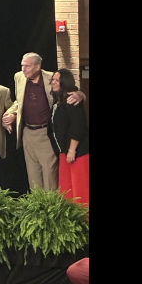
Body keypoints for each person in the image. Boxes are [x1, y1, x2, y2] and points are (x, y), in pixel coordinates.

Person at [1, 52, 85, 191]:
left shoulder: (51, 78)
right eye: (22, 65)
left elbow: (68, 91)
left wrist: (80, 95)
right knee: (33, 174)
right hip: (27, 132)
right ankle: (37, 208)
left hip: (45, 132)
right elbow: (19, 100)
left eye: (27, 66)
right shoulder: (19, 77)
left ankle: (50, 207)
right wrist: (12, 113)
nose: (23, 69)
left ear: (37, 67)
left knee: (49, 173)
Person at [49, 68, 89, 206]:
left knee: (80, 192)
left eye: (57, 80)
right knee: (66, 192)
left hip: (77, 153)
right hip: (64, 153)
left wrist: (72, 150)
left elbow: (79, 126)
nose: (53, 82)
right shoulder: (58, 101)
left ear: (64, 82)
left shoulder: (71, 99)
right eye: (52, 80)